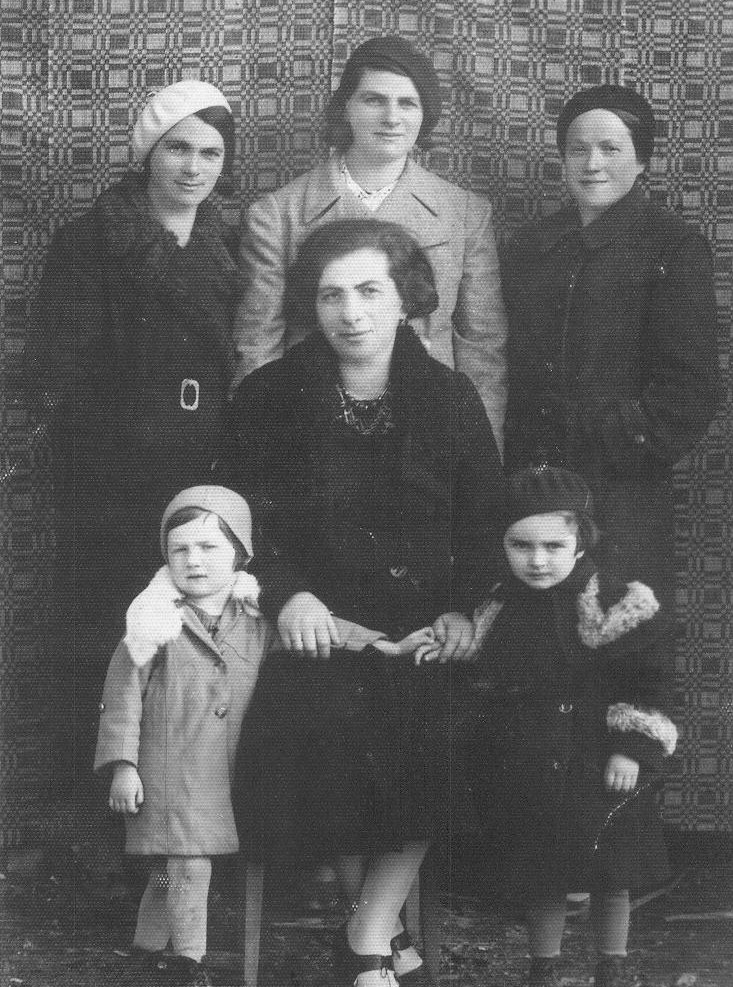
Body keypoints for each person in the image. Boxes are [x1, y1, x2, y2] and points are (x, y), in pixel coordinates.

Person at [225, 219, 505, 987]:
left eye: (370, 291)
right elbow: (243, 521)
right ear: (312, 305)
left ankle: (367, 931)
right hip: (314, 629)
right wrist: (287, 595)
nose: (350, 312)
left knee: (432, 730)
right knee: (329, 727)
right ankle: (376, 934)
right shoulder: (269, 396)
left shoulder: (449, 398)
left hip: (419, 634)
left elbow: (483, 523)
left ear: (406, 299)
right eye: (331, 294)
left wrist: (460, 609)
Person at [95, 484, 413, 987]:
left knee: (171, 873)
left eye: (208, 548)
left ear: (241, 554)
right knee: (188, 870)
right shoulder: (151, 621)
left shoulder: (255, 615)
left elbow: (327, 631)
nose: (193, 561)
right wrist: (122, 765)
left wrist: (384, 644)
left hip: (225, 773)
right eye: (179, 550)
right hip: (168, 772)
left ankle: (145, 963)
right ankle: (190, 976)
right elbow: (120, 698)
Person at [28, 80, 240, 786]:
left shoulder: (230, 243)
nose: (192, 168)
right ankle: (92, 831)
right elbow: (57, 368)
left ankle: (178, 818)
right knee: (108, 636)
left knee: (193, 637)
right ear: (148, 153)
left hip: (202, 469)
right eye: (176, 148)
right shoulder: (92, 242)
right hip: (112, 477)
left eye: (209, 153)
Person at [458, 466, 677, 987]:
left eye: (554, 546)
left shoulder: (619, 604)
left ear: (583, 542)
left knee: (613, 872)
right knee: (543, 871)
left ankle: (612, 973)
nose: (538, 560)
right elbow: (483, 684)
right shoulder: (494, 609)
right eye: (521, 545)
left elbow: (650, 681)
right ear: (502, 545)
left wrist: (630, 748)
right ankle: (544, 973)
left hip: (600, 762)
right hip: (531, 762)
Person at [231, 34, 508, 451]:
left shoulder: (466, 214)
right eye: (374, 100)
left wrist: (481, 461)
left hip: (428, 438)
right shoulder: (276, 215)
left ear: (424, 115)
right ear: (347, 108)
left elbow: (482, 349)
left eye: (407, 103)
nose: (392, 117)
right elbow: (257, 347)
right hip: (313, 436)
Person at [501, 84, 719, 613]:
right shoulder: (530, 246)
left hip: (623, 486)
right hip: (529, 483)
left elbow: (689, 391)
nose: (592, 164)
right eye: (577, 148)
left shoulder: (673, 245)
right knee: (531, 638)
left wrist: (601, 447)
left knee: (621, 632)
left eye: (611, 148)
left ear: (642, 159)